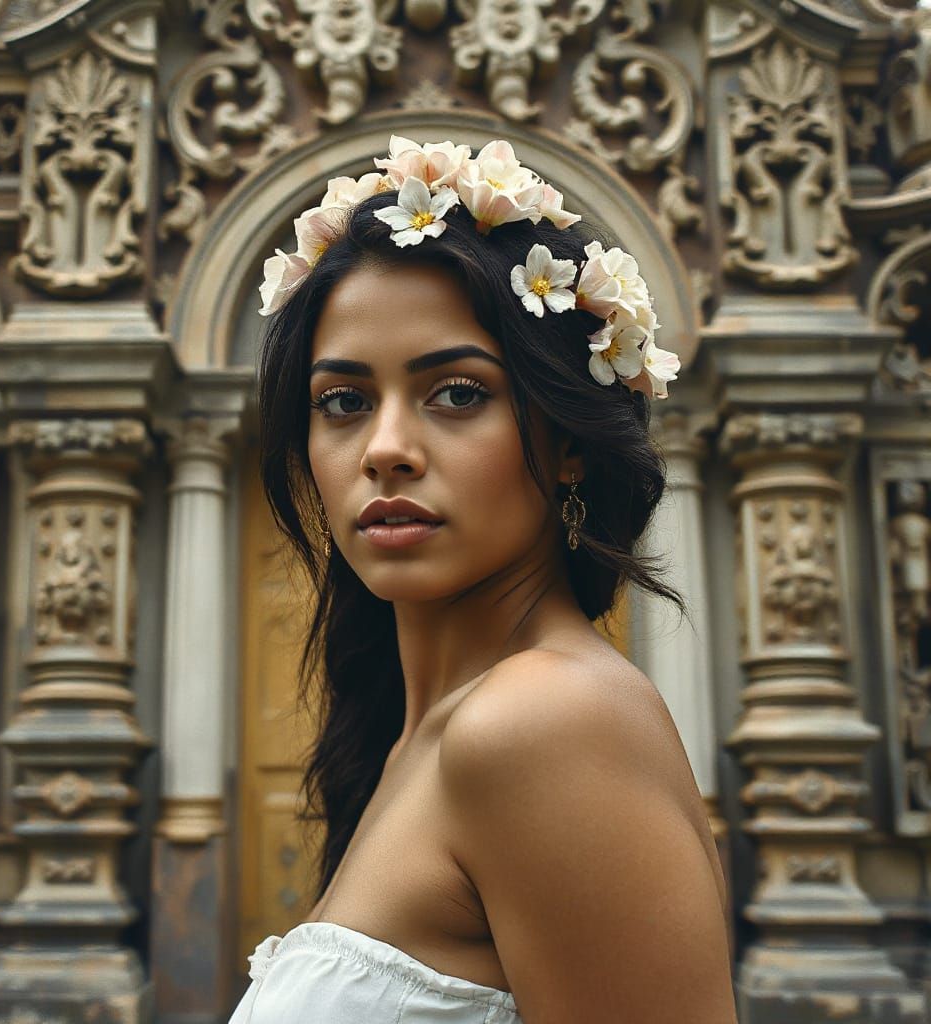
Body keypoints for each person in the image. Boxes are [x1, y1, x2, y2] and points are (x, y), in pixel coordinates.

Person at [228, 136, 737, 1023]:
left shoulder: (545, 723)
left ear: (568, 442)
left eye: (458, 393)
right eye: (343, 401)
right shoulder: (409, 734)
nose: (386, 449)